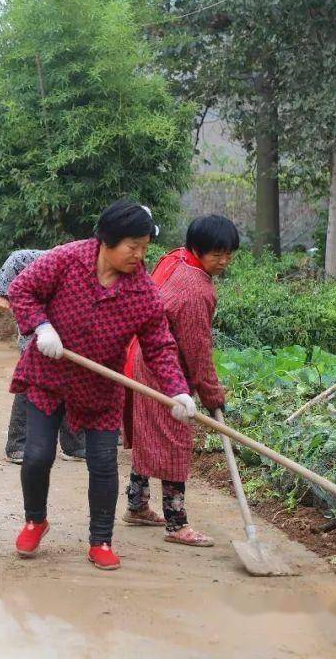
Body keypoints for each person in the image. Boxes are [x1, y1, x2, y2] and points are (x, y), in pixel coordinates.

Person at [7, 199, 196, 571]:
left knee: (104, 465)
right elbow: (21, 290)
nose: (140, 256)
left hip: (100, 388)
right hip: (50, 376)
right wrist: (42, 327)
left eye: (145, 248)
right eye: (133, 247)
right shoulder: (67, 259)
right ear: (107, 241)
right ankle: (35, 520)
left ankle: (101, 541)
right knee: (37, 455)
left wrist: (177, 390)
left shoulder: (142, 291)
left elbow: (159, 343)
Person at [122, 214, 239, 548]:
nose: (224, 261)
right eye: (217, 254)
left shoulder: (178, 260)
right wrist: (212, 394)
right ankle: (176, 524)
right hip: (166, 373)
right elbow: (197, 351)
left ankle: (137, 504)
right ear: (197, 249)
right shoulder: (195, 291)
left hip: (148, 360)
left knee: (148, 434)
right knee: (175, 443)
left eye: (229, 253)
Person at [0, 249, 85, 464]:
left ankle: (74, 446)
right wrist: (2, 293)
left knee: (70, 382)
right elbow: (16, 258)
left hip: (67, 331)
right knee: (30, 381)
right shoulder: (63, 258)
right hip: (36, 325)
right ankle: (18, 444)